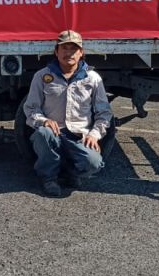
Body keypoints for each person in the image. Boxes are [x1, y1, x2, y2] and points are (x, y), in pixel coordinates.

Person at [24, 30, 114, 197]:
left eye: (74, 49)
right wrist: (43, 121)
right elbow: (30, 108)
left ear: (81, 53)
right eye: (64, 48)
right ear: (56, 52)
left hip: (79, 135)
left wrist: (94, 134)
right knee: (43, 134)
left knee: (94, 164)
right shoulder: (42, 76)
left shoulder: (93, 78)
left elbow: (104, 113)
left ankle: (71, 173)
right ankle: (48, 178)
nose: (69, 53)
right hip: (54, 133)